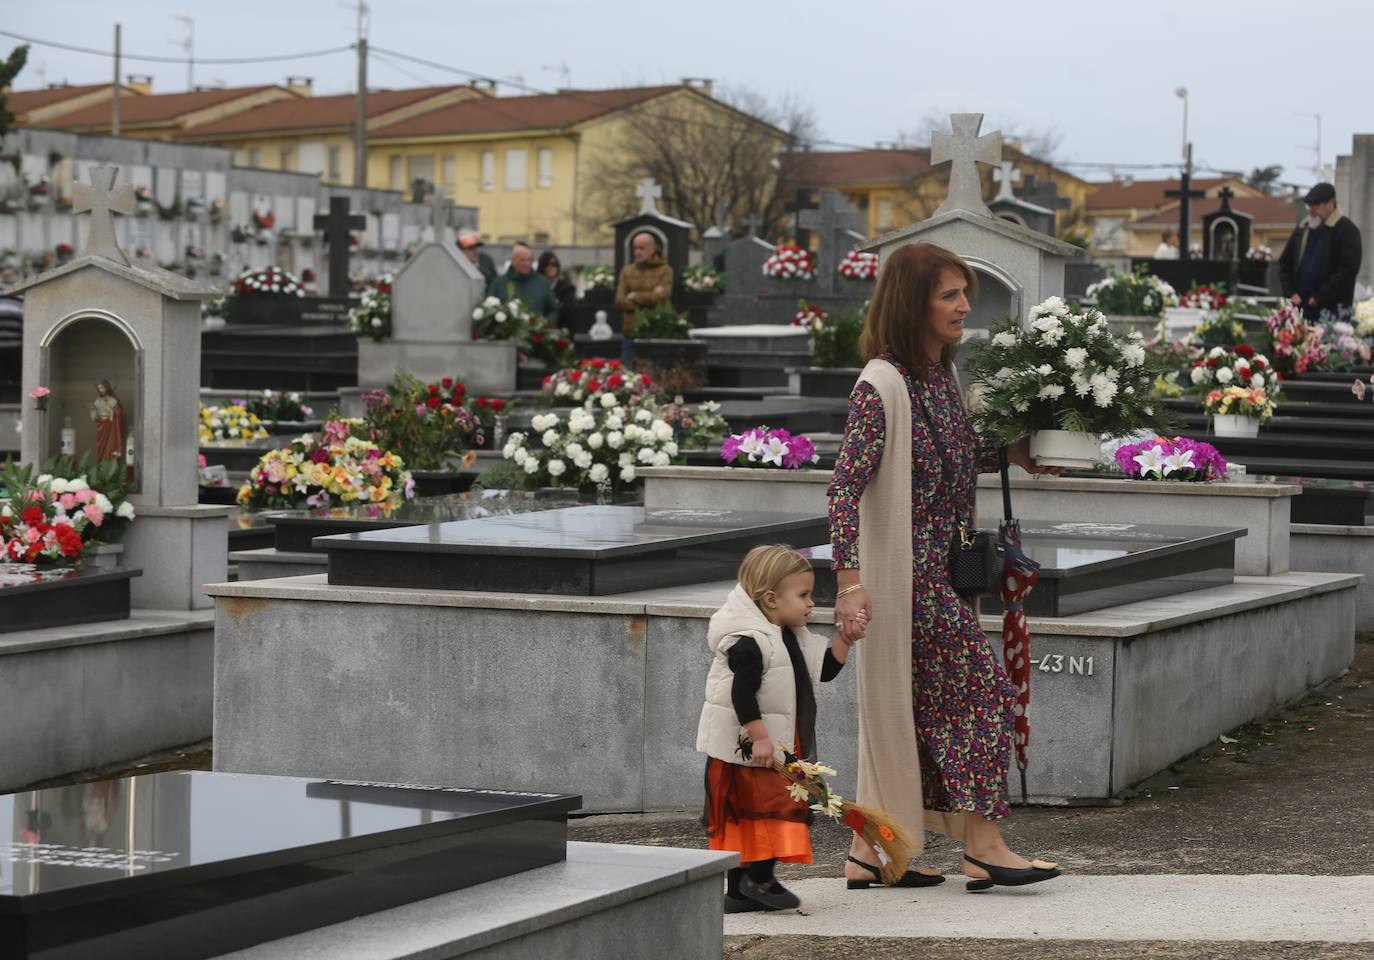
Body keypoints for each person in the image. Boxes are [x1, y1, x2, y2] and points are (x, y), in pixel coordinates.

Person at [827, 242, 1063, 893]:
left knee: (924, 712)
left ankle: (870, 852)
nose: (965, 306)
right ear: (913, 303)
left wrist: (1013, 455)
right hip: (908, 584)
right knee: (983, 696)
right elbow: (844, 487)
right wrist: (848, 585)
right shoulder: (881, 386)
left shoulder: (936, 379)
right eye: (949, 295)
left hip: (942, 579)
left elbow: (945, 464)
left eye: (966, 294)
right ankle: (984, 847)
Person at [696, 544, 856, 913]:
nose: (811, 603)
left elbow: (825, 670)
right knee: (758, 813)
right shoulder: (749, 641)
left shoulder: (785, 633)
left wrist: (845, 641)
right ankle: (756, 881)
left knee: (759, 813)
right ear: (770, 599)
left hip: (766, 749)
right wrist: (760, 736)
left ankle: (741, 892)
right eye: (803, 595)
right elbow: (742, 693)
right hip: (746, 751)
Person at [1278, 182, 1364, 319]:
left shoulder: (1346, 230)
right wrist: (1291, 292)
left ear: (1330, 203)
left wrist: (1319, 297)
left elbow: (1347, 270)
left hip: (1331, 311)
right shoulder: (1303, 228)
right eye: (1309, 206)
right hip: (1300, 308)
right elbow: (1285, 263)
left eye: (1315, 205)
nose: (1310, 210)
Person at [486, 242, 561, 322]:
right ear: (513, 261)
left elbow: (554, 310)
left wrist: (545, 324)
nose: (526, 263)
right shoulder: (499, 283)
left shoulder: (542, 283)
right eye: (522, 260)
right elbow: (488, 309)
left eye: (529, 260)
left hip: (536, 332)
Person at [615, 231, 673, 313]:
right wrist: (649, 303)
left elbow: (660, 299)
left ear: (653, 249)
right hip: (631, 323)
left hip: (654, 322)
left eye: (642, 248)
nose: (637, 252)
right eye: (635, 248)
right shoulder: (626, 271)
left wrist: (635, 296)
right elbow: (620, 300)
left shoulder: (665, 270)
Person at [90, 379, 126, 464]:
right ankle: (101, 465)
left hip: (111, 427)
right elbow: (94, 417)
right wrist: (93, 410)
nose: (101, 390)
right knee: (101, 447)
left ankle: (110, 467)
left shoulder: (113, 400)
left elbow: (120, 414)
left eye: (102, 388)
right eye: (99, 388)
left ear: (107, 388)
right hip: (101, 427)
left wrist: (111, 412)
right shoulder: (97, 401)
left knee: (110, 446)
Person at [538, 250, 577, 317]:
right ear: (542, 267)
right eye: (546, 264)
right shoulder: (537, 287)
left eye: (554, 264)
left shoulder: (567, 289)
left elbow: (569, 311)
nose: (550, 267)